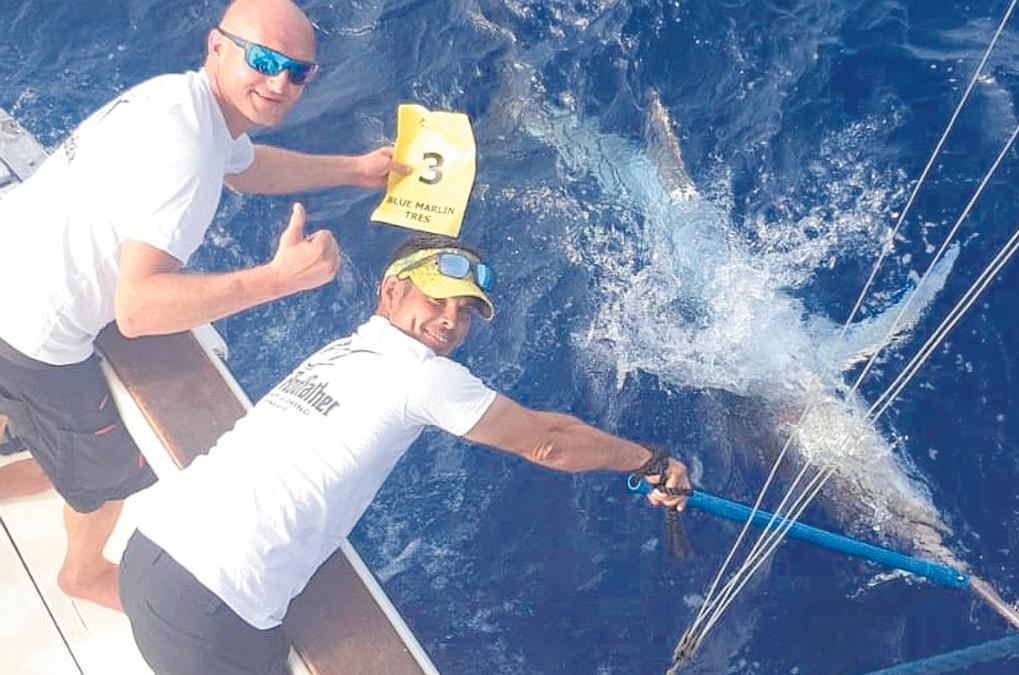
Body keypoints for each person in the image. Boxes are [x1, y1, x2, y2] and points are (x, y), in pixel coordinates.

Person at [117, 233, 692, 675]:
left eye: (464, 312)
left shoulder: (344, 351)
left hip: (147, 554)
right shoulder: (421, 377)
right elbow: (548, 442)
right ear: (391, 291)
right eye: (437, 300)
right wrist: (648, 463)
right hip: (208, 611)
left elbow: (544, 428)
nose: (450, 320)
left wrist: (645, 458)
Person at [0, 0, 408, 611]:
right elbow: (137, 310)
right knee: (110, 473)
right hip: (31, 334)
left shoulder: (182, 101)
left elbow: (241, 168)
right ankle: (82, 575)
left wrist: (352, 171)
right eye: (265, 60)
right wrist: (279, 278)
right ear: (217, 45)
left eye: (299, 72)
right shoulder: (187, 155)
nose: (279, 82)